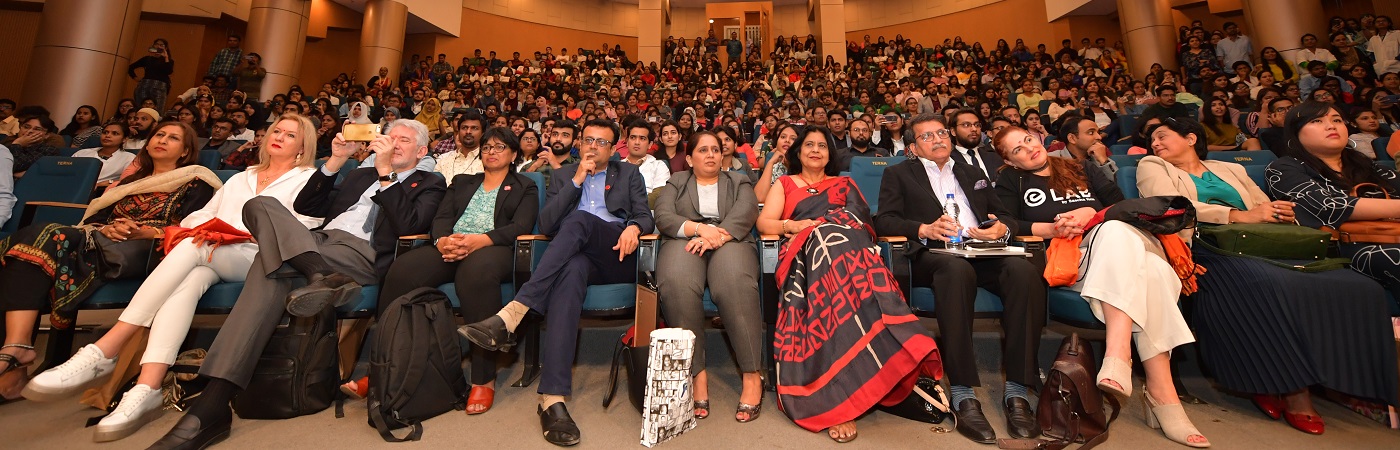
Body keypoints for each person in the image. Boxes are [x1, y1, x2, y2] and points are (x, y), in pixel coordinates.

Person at [147, 118, 445, 449]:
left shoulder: (430, 182)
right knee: (259, 205)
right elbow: (307, 206)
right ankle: (318, 272)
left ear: (421, 151)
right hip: (316, 241)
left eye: (404, 140)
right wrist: (336, 160)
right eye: (390, 137)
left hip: (361, 253)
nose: (394, 143)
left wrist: (386, 172)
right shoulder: (359, 175)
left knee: (269, 265)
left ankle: (211, 406)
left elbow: (409, 226)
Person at [22, 116, 320, 442]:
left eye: (290, 134)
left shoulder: (309, 178)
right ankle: (148, 386)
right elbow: (200, 216)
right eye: (276, 130)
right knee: (187, 283)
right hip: (213, 251)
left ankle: (108, 347)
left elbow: (304, 226)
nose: (279, 136)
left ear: (302, 145)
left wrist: (234, 234)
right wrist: (210, 230)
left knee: (194, 246)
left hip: (260, 256)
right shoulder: (240, 178)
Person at [1138, 116, 1399, 436]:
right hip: (1207, 246)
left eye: (1162, 136)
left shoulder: (1229, 168)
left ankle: (1343, 383)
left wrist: (1278, 212)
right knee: (1271, 283)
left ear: (1191, 138)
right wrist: (1237, 215)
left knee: (1358, 286)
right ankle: (1292, 390)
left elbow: (1262, 205)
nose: (1155, 143)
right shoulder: (1152, 165)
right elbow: (1168, 206)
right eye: (1152, 140)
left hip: (1259, 241)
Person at [991, 125, 1210, 448]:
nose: (1029, 149)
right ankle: (1161, 394)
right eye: (1017, 150)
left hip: (1114, 250)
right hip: (1069, 258)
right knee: (1149, 267)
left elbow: (1123, 207)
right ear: (1011, 162)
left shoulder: (1082, 168)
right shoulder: (1012, 181)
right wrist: (1053, 229)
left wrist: (1089, 213)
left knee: (1128, 244)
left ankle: (1123, 358)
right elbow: (1009, 224)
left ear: (1038, 137)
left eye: (1028, 140)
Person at [459, 119, 650, 447]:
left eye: (602, 142)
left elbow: (645, 215)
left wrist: (633, 226)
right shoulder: (563, 176)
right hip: (575, 257)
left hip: (616, 252)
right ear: (579, 143)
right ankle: (552, 398)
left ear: (613, 149)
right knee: (571, 271)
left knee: (579, 220)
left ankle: (516, 310)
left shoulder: (629, 173)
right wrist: (576, 182)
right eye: (588, 140)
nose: (593, 147)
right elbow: (546, 225)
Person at [0, 122, 217, 404]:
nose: (162, 140)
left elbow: (193, 227)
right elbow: (94, 219)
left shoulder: (197, 181)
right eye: (159, 135)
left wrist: (144, 231)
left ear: (186, 150)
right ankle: (17, 350)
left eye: (173, 138)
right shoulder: (130, 182)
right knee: (31, 247)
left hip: (149, 249)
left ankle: (17, 352)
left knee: (43, 237)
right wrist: (108, 228)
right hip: (102, 240)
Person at [754, 126, 940, 443]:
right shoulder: (784, 183)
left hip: (849, 255)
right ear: (798, 152)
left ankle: (869, 376)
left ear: (831, 154)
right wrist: (793, 225)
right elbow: (764, 222)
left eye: (822, 145)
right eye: (809, 145)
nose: (815, 150)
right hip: (805, 255)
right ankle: (841, 397)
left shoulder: (845, 183)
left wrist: (825, 225)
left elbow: (861, 223)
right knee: (826, 241)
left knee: (837, 241)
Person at [873, 113, 1045, 443]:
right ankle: (963, 393)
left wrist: (1002, 229)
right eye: (927, 136)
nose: (938, 139)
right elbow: (885, 220)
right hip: (936, 254)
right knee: (956, 270)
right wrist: (924, 229)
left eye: (941, 133)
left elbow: (1005, 215)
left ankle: (1017, 390)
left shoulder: (972, 172)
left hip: (982, 249)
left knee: (1023, 271)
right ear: (913, 148)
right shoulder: (899, 173)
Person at [341, 127, 535, 414]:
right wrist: (443, 240)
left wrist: (478, 241)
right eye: (486, 147)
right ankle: (382, 371)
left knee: (476, 275)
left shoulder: (525, 186)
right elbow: (441, 218)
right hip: (451, 245)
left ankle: (483, 378)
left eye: (499, 147)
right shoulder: (462, 182)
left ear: (514, 154)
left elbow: (521, 226)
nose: (491, 152)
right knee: (403, 270)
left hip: (493, 248)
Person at [653, 131, 763, 422]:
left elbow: (747, 211)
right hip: (686, 239)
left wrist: (717, 236)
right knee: (676, 281)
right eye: (703, 150)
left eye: (715, 149)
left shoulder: (738, 180)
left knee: (734, 281)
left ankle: (752, 375)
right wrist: (700, 229)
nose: (711, 154)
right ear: (689, 159)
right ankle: (696, 374)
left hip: (731, 240)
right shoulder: (677, 181)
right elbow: (663, 216)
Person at [1268, 100, 1400, 300]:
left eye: (1337, 120)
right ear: (1296, 133)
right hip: (1343, 247)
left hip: (1393, 235)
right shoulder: (1283, 169)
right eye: (1317, 121)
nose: (1331, 126)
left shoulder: (1368, 166)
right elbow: (1330, 206)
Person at [73, 122, 138, 189]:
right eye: (105, 132)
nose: (108, 136)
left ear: (124, 139)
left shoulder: (129, 158)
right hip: (74, 186)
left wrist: (110, 182)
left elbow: (129, 181)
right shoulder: (82, 153)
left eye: (115, 133)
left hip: (103, 191)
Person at [1051, 114, 1118, 179]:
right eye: (1091, 133)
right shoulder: (1052, 160)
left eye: (1098, 132)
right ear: (1072, 138)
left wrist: (1104, 161)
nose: (1099, 137)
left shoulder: (1101, 159)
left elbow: (1119, 183)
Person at [949, 109, 1004, 180]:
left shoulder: (994, 156)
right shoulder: (949, 161)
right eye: (966, 125)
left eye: (977, 125)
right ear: (953, 131)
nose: (974, 129)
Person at [619, 119, 669, 195]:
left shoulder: (659, 166)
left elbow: (659, 195)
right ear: (627, 142)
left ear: (650, 144)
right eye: (633, 137)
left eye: (642, 138)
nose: (637, 142)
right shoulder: (616, 167)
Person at [435, 110, 486, 184]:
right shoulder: (443, 160)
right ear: (458, 132)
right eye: (464, 128)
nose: (468, 131)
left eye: (474, 128)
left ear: (482, 134)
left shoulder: (487, 161)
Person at [754, 122, 798, 201]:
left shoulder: (805, 166)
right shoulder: (774, 164)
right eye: (783, 137)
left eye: (793, 139)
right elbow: (759, 198)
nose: (787, 140)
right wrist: (770, 163)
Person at [129, 39, 175, 111]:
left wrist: (166, 57)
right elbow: (131, 68)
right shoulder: (147, 59)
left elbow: (169, 71)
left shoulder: (169, 61)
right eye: (156, 44)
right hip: (144, 86)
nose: (158, 46)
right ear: (153, 46)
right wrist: (136, 78)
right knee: (140, 108)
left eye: (161, 45)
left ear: (165, 48)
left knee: (158, 110)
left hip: (160, 87)